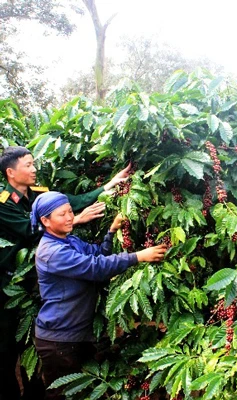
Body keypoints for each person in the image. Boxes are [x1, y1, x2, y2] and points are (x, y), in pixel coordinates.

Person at [0, 145, 130, 400]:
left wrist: (108, 186)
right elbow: (29, 230)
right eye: (28, 165)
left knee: (36, 348)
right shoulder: (3, 203)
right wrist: (76, 220)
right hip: (10, 283)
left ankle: (36, 391)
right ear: (11, 173)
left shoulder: (39, 193)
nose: (34, 169)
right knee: (8, 347)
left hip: (45, 281)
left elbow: (72, 200)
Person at [30, 191, 167, 400]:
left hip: (77, 335)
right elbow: (95, 268)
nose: (69, 217)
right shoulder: (51, 252)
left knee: (81, 391)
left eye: (70, 211)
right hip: (59, 339)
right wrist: (138, 256)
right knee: (63, 394)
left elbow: (98, 254)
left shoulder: (70, 241)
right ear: (45, 221)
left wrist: (111, 231)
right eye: (62, 214)